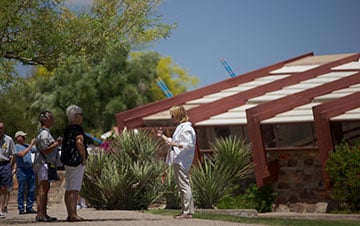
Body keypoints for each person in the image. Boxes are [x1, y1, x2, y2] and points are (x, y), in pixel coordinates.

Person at [157, 105, 196, 219]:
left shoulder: (187, 128)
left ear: (178, 115)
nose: (171, 117)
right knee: (182, 186)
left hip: (182, 161)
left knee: (184, 186)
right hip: (178, 160)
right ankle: (186, 211)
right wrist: (162, 136)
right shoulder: (181, 127)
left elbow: (188, 144)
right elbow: (174, 142)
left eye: (173, 115)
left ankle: (187, 211)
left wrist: (175, 144)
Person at [34, 111, 62, 222]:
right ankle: (41, 214)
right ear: (45, 119)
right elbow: (45, 150)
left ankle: (43, 213)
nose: (53, 120)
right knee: (43, 188)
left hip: (44, 163)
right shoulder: (44, 134)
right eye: (51, 118)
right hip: (43, 163)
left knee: (44, 188)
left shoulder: (44, 132)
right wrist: (57, 143)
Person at [62, 105, 87, 222]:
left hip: (67, 160)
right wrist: (83, 157)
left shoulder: (67, 128)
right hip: (76, 161)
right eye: (80, 114)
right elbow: (79, 142)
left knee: (68, 188)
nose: (82, 117)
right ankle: (73, 214)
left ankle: (70, 213)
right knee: (74, 188)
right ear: (76, 116)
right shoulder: (77, 128)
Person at [14, 131, 37, 215]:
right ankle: (21, 208)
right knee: (22, 189)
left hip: (30, 169)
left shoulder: (27, 145)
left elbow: (35, 150)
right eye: (22, 136)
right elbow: (22, 154)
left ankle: (29, 207)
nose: (24, 138)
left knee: (31, 189)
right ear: (17, 138)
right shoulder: (16, 147)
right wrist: (31, 145)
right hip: (21, 169)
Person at [0, 120, 16, 218]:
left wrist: (11, 166)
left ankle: (1, 209)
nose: (0, 130)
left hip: (4, 164)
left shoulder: (8, 139)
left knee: (3, 188)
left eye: (1, 128)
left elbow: (13, 154)